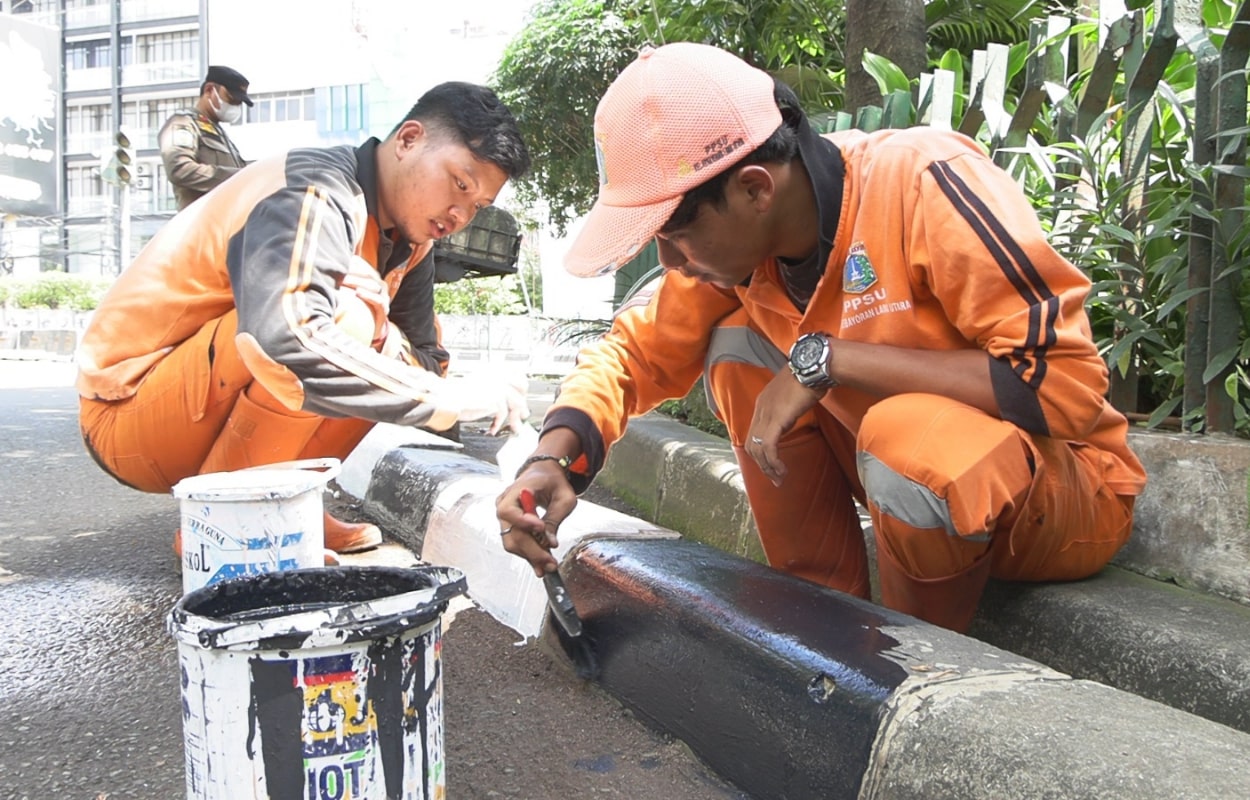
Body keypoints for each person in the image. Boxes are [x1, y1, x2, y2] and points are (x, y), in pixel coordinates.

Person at [496, 43, 1146, 633]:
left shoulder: (923, 182)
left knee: (904, 437)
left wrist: (827, 359)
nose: (669, 261)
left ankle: (913, 661)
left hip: (1063, 496)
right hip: (918, 492)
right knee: (736, 348)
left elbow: (1063, 387)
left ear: (753, 188)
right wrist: (552, 461)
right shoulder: (744, 257)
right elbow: (632, 353)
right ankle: (823, 624)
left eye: (675, 232)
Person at [79, 81, 532, 557]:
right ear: (408, 139)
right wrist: (445, 397)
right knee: (344, 322)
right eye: (459, 183)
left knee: (375, 339)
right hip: (129, 411)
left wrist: (386, 334)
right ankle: (230, 523)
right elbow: (281, 339)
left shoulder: (414, 241)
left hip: (203, 407)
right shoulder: (314, 187)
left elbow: (425, 361)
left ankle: (289, 504)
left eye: (478, 205)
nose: (461, 213)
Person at [158, 65, 252, 210]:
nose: (235, 107)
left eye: (239, 103)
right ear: (209, 90)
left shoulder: (221, 135)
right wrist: (238, 177)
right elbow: (179, 170)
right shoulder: (183, 123)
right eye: (231, 100)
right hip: (200, 226)